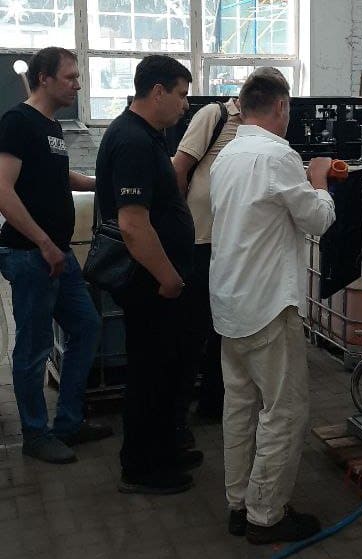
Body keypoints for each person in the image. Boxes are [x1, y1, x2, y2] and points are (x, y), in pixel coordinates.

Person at [209, 68, 336, 544]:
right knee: (283, 412)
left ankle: (239, 503)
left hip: (230, 303)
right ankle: (266, 516)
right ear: (281, 106)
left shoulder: (227, 156)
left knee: (240, 407)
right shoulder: (278, 155)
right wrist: (319, 180)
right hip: (268, 306)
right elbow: (317, 220)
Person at [95, 55, 203, 495]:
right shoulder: (132, 141)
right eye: (181, 94)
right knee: (149, 374)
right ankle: (141, 468)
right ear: (157, 91)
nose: (185, 105)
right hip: (150, 283)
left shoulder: (147, 136)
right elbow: (133, 224)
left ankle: (164, 449)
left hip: (160, 280)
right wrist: (168, 277)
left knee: (166, 369)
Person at [0, 47, 112, 464]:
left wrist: (100, 183)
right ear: (44, 78)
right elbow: (2, 189)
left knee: (86, 326)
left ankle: (68, 422)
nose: (77, 85)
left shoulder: (51, 126)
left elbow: (55, 175)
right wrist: (44, 242)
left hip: (55, 253)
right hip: (30, 253)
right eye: (70, 77)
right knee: (34, 347)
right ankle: (35, 433)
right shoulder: (18, 122)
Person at [172, 97, 242, 439]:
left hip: (230, 246)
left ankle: (213, 403)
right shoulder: (216, 115)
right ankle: (176, 418)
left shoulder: (258, 128)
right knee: (191, 331)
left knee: (222, 330)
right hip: (200, 241)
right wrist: (179, 222)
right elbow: (179, 167)